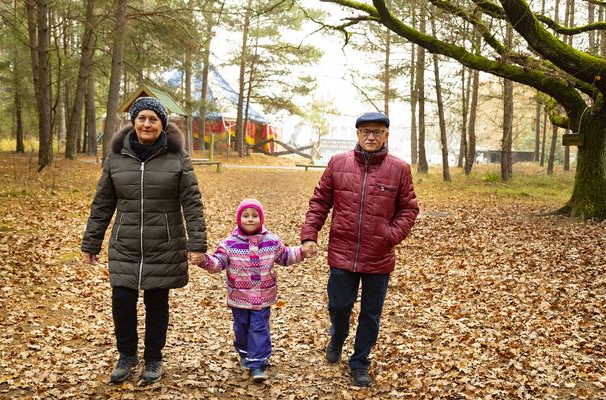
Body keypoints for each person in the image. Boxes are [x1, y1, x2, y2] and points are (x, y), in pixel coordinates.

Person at [81, 97, 207, 385]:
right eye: (142, 118)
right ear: (133, 122)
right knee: (122, 300)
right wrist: (92, 242)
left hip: (163, 242)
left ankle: (153, 358)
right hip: (125, 241)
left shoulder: (177, 157)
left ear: (163, 124)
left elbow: (192, 202)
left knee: (156, 301)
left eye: (153, 119)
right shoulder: (116, 156)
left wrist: (197, 243)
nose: (147, 124)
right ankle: (126, 355)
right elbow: (102, 202)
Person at [300, 112, 419, 387]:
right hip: (342, 252)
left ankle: (359, 362)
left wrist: (390, 236)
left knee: (370, 314)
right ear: (357, 134)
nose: (370, 137)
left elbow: (409, 209)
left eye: (377, 132)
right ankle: (338, 334)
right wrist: (310, 235)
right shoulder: (338, 163)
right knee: (339, 305)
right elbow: (320, 201)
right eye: (365, 131)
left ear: (386, 135)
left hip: (379, 256)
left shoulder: (399, 169)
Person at [189, 198, 311, 383]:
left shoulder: (271, 241)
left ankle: (258, 363)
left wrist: (302, 251)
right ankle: (245, 352)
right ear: (239, 219)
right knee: (241, 327)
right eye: (245, 216)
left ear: (261, 218)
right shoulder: (229, 244)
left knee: (259, 327)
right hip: (240, 297)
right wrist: (204, 260)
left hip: (263, 297)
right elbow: (218, 262)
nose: (250, 219)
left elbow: (285, 256)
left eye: (255, 215)